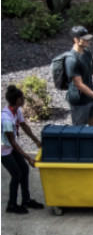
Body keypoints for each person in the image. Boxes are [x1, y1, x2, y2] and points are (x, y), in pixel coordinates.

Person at [2, 85, 44, 214]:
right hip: (3, 151)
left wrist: (36, 140)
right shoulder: (6, 119)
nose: (24, 99)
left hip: (10, 147)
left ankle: (26, 200)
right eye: (22, 98)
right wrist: (28, 158)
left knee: (24, 170)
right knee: (16, 175)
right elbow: (13, 143)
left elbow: (24, 126)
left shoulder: (16, 111)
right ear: (18, 100)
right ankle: (12, 205)